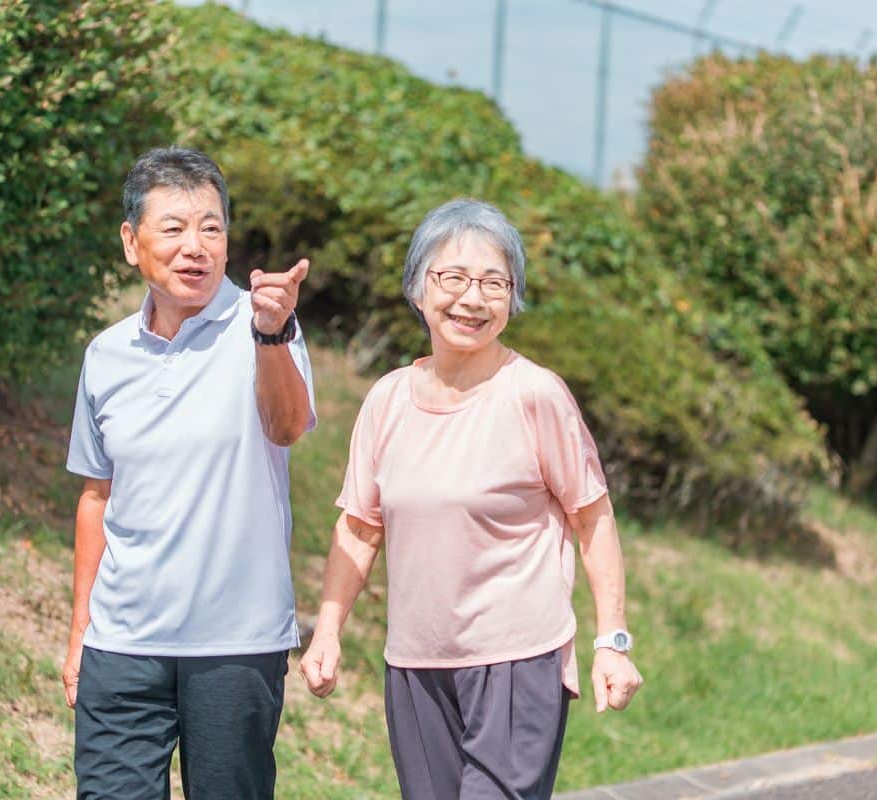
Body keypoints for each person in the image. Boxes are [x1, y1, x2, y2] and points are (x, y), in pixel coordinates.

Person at [299, 198, 643, 799]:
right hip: (415, 665)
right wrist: (328, 631)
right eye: (453, 278)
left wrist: (612, 641)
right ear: (417, 289)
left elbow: (593, 519)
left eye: (493, 282)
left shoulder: (535, 394)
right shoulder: (386, 400)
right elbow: (359, 528)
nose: (472, 298)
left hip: (518, 660)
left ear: (513, 298)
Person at [62, 145, 316, 800]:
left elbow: (287, 426)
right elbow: (98, 496)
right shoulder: (106, 354)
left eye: (211, 227)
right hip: (121, 643)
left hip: (234, 644)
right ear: (131, 241)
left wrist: (270, 335)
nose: (194, 246)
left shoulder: (267, 329)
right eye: (173, 228)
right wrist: (80, 633)